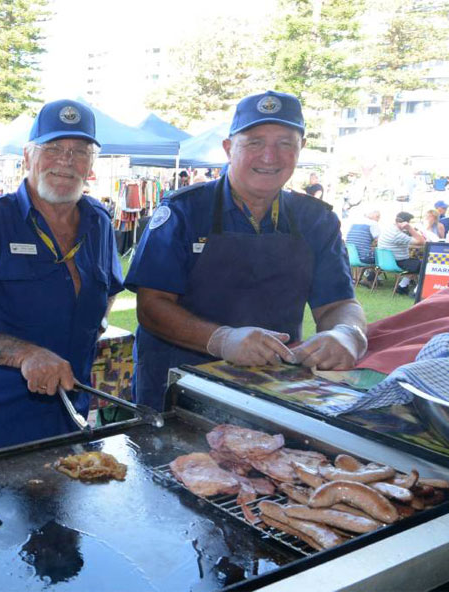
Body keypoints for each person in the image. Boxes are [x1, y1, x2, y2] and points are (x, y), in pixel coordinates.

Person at [125, 91, 368, 410]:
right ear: (229, 148)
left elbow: (338, 303)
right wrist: (221, 339)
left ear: (301, 149)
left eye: (285, 143)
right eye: (254, 142)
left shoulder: (316, 220)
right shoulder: (185, 211)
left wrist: (348, 334)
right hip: (177, 389)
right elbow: (151, 306)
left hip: (271, 393)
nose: (270, 156)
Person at [0, 99, 124, 457]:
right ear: (27, 157)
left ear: (92, 165)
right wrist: (25, 355)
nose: (66, 161)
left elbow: (108, 291)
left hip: (70, 427)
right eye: (52, 149)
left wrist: (95, 323)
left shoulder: (100, 222)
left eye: (79, 151)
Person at [379, 212, 425, 294]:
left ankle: (402, 286)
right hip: (397, 262)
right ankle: (416, 291)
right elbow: (421, 241)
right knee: (424, 265)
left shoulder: (388, 229)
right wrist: (410, 228)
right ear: (406, 223)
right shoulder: (397, 234)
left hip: (386, 261)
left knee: (415, 263)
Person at [345, 209, 381, 282]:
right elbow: (379, 240)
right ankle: (369, 277)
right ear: (376, 217)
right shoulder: (373, 223)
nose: (379, 219)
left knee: (366, 251)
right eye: (378, 217)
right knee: (382, 258)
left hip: (350, 256)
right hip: (364, 257)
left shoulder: (354, 223)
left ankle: (357, 278)